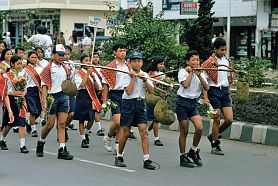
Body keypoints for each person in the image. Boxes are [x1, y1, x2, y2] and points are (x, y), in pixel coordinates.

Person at [114, 52, 157, 170]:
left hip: (140, 103)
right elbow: (128, 91)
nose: (137, 63)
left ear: (142, 62)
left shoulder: (145, 74)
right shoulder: (125, 74)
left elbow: (152, 91)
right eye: (134, 61)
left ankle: (146, 160)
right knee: (126, 133)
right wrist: (133, 78)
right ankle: (119, 155)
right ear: (130, 62)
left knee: (144, 132)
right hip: (128, 104)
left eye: (139, 61)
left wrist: (145, 80)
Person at [36, 44, 74, 160]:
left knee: (61, 124)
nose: (61, 57)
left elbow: (69, 82)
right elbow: (44, 86)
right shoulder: (48, 68)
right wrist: (44, 101)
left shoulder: (66, 67)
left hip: (63, 96)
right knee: (50, 124)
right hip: (52, 97)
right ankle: (41, 142)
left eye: (63, 55)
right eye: (59, 55)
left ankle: (62, 149)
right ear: (53, 55)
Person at [176, 50, 209, 167]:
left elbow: (206, 87)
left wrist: (199, 74)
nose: (196, 62)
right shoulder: (182, 72)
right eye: (193, 60)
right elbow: (185, 85)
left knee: (199, 128)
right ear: (187, 62)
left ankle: (193, 151)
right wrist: (191, 73)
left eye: (197, 60)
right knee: (184, 131)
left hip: (193, 104)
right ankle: (182, 156)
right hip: (182, 103)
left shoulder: (202, 73)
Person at [203, 38, 234, 156]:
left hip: (224, 91)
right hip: (213, 91)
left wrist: (230, 82)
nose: (223, 52)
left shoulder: (226, 61)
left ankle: (213, 136)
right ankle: (215, 144)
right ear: (215, 49)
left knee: (229, 119)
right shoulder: (208, 63)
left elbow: (228, 77)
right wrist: (205, 97)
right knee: (216, 118)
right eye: (221, 50)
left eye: (225, 50)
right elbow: (205, 82)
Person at [101, 43, 130, 155]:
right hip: (115, 95)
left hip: (126, 95)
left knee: (123, 123)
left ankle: (117, 145)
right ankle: (108, 136)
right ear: (114, 52)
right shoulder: (109, 67)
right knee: (118, 121)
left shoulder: (129, 66)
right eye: (120, 50)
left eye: (124, 50)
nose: (123, 52)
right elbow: (105, 86)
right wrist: (104, 101)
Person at [0, 56, 29, 153]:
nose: (20, 66)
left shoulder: (23, 74)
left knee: (21, 122)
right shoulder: (6, 76)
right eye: (18, 64)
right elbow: (4, 92)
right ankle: (2, 139)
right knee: (10, 123)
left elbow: (26, 87)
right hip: (10, 100)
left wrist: (23, 93)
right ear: (12, 64)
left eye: (21, 64)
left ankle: (22, 145)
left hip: (21, 100)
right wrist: (14, 93)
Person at [73, 54, 102, 148]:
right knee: (81, 119)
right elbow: (81, 85)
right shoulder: (78, 74)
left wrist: (93, 78)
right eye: (86, 60)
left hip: (91, 97)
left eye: (89, 60)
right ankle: (83, 139)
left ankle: (86, 132)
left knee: (92, 117)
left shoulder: (92, 73)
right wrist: (87, 74)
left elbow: (98, 88)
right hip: (82, 96)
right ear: (81, 62)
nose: (88, 62)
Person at [22, 51, 43, 137]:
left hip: (38, 91)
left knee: (39, 110)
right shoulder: (25, 69)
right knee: (33, 111)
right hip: (29, 90)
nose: (34, 59)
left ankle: (29, 123)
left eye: (36, 57)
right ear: (28, 58)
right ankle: (34, 129)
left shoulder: (40, 68)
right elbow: (22, 81)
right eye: (32, 57)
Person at [146, 56, 166, 146]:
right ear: (155, 64)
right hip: (152, 98)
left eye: (163, 64)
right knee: (156, 119)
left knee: (156, 119)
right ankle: (156, 138)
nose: (162, 65)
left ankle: (146, 131)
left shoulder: (161, 74)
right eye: (160, 64)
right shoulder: (150, 74)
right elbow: (152, 87)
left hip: (160, 98)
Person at [86, 50, 105, 136]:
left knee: (98, 110)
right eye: (94, 57)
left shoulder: (102, 68)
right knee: (96, 110)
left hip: (101, 91)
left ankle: (87, 128)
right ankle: (99, 128)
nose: (96, 59)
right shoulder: (89, 69)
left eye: (97, 57)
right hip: (93, 92)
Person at [64, 45, 77, 141]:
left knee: (72, 113)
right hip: (61, 90)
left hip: (70, 90)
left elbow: (74, 78)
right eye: (64, 54)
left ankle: (65, 126)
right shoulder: (57, 64)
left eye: (68, 54)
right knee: (63, 113)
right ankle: (61, 130)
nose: (66, 56)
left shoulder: (72, 64)